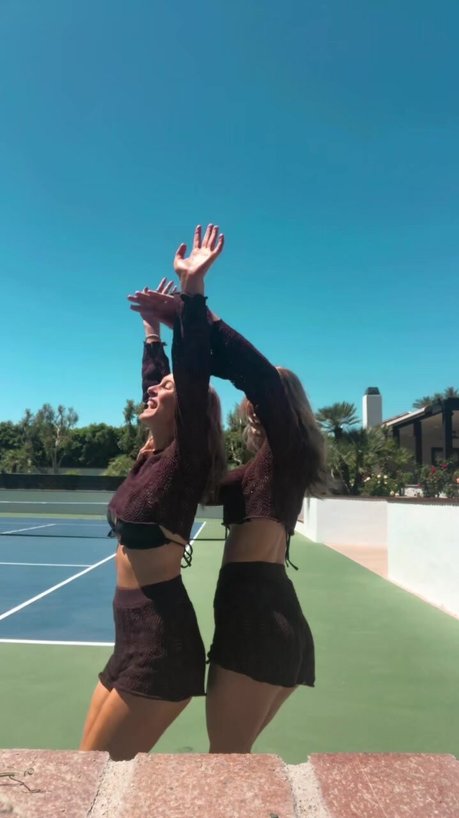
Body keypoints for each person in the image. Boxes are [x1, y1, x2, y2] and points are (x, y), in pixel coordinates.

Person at [130, 261, 327, 753]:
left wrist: (197, 311)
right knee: (236, 761)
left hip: (258, 619)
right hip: (254, 615)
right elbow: (179, 426)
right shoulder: (259, 470)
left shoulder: (288, 454)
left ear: (282, 404)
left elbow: (256, 377)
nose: (250, 408)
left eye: (259, 403)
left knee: (226, 765)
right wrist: (157, 339)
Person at [80, 225, 226, 760]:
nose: (153, 389)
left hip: (161, 645)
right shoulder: (152, 459)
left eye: (166, 388)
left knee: (92, 773)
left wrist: (191, 295)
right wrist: (150, 334)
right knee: (86, 769)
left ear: (187, 410)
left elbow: (189, 376)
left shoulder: (184, 464)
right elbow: (161, 379)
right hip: (129, 638)